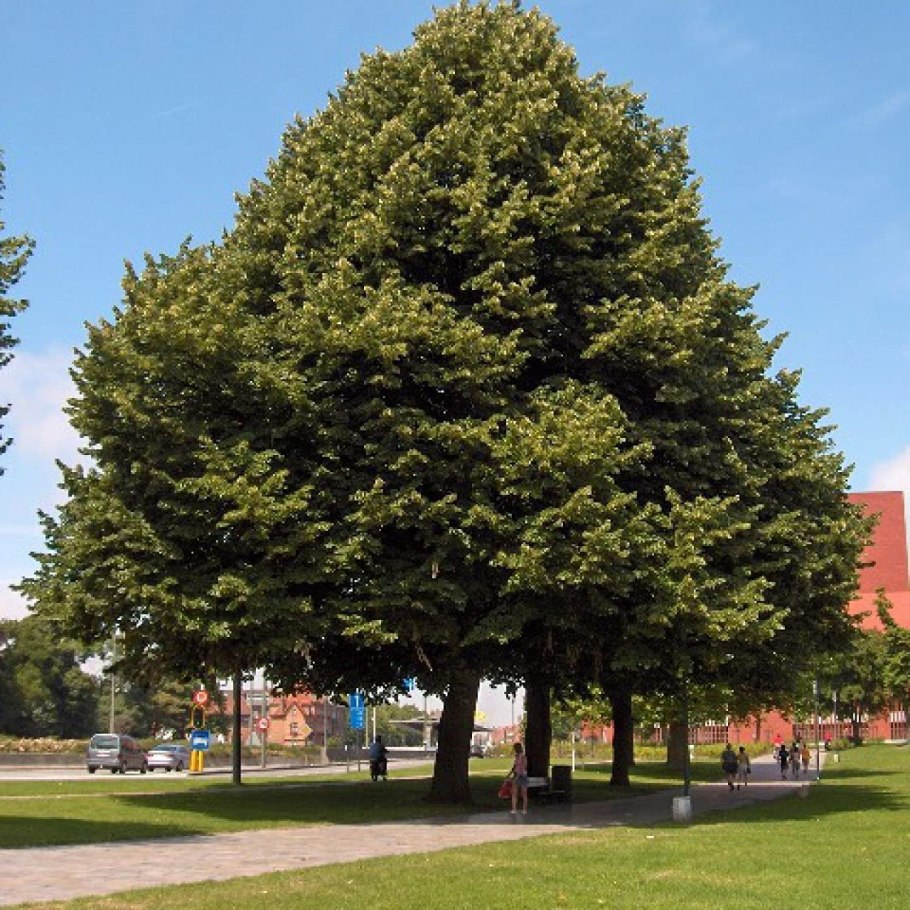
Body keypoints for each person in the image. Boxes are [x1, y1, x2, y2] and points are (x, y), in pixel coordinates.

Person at [510, 742, 529, 814]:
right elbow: (514, 767)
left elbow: (523, 767)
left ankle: (524, 809)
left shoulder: (523, 757)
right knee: (514, 793)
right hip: (516, 775)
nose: (514, 750)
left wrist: (517, 776)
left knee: (524, 793)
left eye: (515, 748)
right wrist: (509, 775)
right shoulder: (516, 756)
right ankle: (514, 809)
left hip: (522, 776)